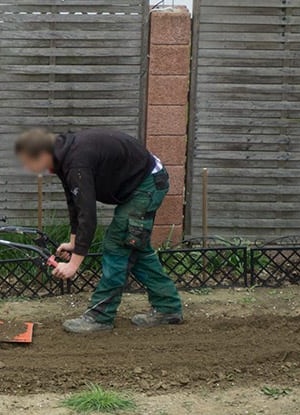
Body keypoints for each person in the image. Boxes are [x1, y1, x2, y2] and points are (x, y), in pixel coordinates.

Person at [14, 128, 184, 333]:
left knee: (117, 244)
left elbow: (88, 215)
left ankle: (101, 316)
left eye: (28, 162)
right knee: (133, 247)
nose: (27, 168)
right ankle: (168, 308)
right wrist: (74, 242)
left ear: (42, 154)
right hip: (142, 180)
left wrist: (73, 265)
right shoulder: (62, 156)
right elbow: (75, 202)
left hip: (147, 184)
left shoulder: (76, 162)